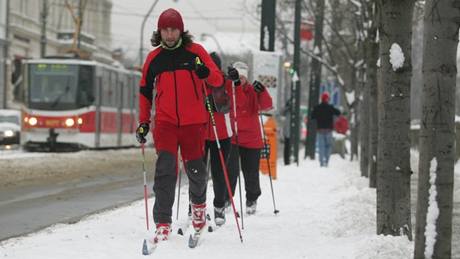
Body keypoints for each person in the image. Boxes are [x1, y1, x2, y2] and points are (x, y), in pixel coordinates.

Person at [135, 8, 224, 243]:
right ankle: (163, 222)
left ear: (181, 30)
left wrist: (205, 72)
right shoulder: (154, 59)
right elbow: (145, 92)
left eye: (174, 29)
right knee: (165, 171)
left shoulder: (195, 52)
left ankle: (198, 211)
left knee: (196, 170)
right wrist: (143, 123)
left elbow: (217, 79)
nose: (170, 34)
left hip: (194, 122)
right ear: (160, 31)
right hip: (165, 123)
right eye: (166, 29)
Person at [225, 61, 273, 215]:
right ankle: (227, 198)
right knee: (231, 171)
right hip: (232, 137)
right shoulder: (228, 89)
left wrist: (263, 91)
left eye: (243, 77)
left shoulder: (252, 90)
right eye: (238, 76)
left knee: (251, 172)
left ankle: (252, 199)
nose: (241, 79)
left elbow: (267, 105)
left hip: (251, 138)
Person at [203, 52, 244, 226]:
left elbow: (238, 100)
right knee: (197, 173)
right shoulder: (200, 80)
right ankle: (195, 207)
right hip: (201, 133)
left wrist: (236, 82)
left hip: (222, 134)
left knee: (219, 173)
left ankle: (219, 206)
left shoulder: (225, 81)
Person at [310, 92, 341, 167]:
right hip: (328, 130)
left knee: (321, 147)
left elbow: (312, 116)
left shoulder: (317, 107)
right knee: (328, 146)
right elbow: (338, 113)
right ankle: (326, 161)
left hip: (320, 130)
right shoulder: (330, 107)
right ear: (327, 99)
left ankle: (321, 162)